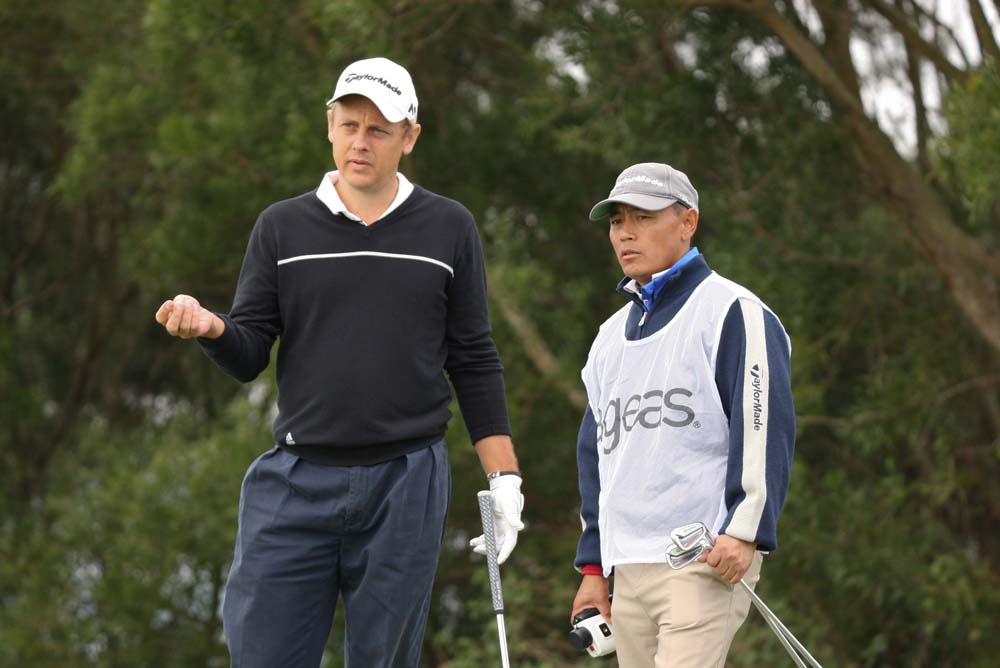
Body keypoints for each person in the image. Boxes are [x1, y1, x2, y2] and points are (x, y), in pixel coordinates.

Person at [154, 57, 524, 668]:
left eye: (379, 130)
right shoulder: (281, 227)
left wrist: (504, 480)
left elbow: (474, 359)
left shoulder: (448, 227)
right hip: (298, 478)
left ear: (410, 137)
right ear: (329, 126)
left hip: (407, 481)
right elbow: (248, 353)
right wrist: (212, 327)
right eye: (350, 124)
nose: (361, 142)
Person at [569, 163, 795, 668]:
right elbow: (597, 454)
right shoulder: (608, 337)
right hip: (627, 566)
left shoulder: (734, 311)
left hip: (702, 558)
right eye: (616, 220)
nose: (625, 233)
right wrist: (592, 566)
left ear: (687, 222)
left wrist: (745, 529)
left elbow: (763, 425)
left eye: (643, 218)